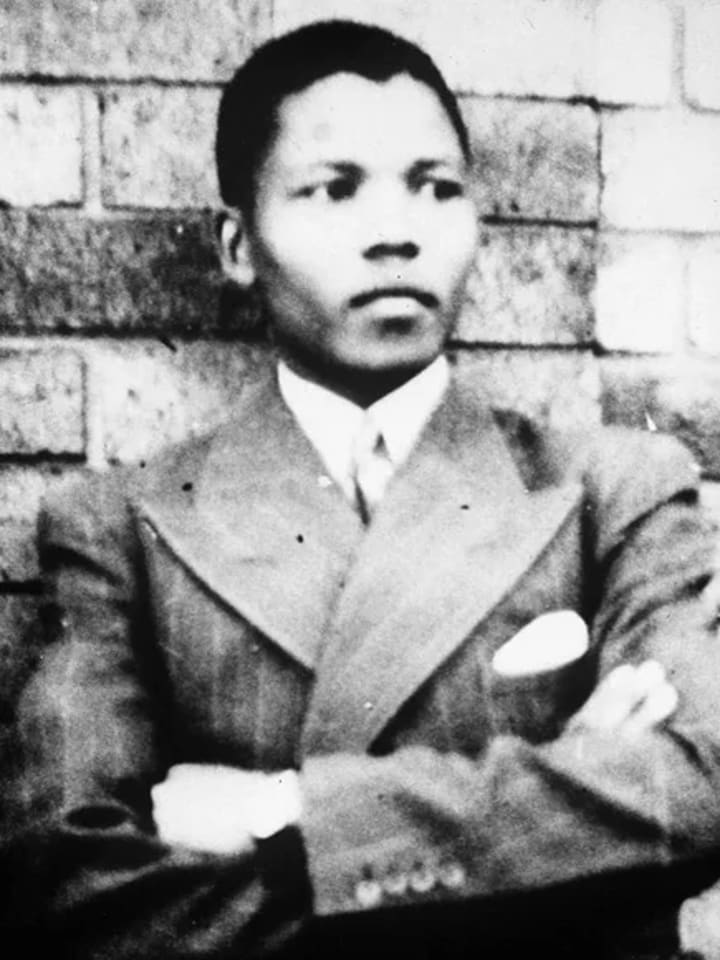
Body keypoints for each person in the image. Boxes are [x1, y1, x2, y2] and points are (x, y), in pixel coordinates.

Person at [5, 18, 720, 960]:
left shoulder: (612, 490)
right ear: (239, 246)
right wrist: (557, 821)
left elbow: (694, 789)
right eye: (335, 189)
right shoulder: (122, 527)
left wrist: (284, 810)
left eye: (437, 188)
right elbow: (70, 887)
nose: (397, 234)